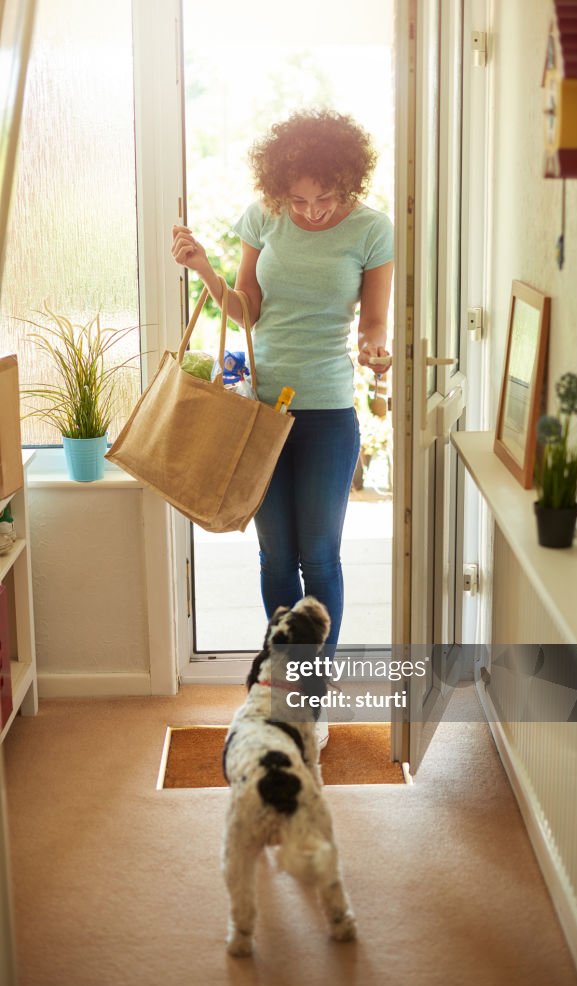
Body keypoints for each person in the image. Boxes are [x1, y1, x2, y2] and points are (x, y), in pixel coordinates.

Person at [172, 110, 394, 741]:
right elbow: (247, 309)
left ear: (348, 181)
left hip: (327, 410)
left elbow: (373, 320)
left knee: (319, 556)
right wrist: (205, 272)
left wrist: (378, 350)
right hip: (262, 410)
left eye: (327, 197)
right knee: (275, 557)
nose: (314, 210)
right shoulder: (263, 217)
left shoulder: (373, 229)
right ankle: (282, 687)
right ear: (278, 191)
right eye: (299, 199)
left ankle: (310, 698)